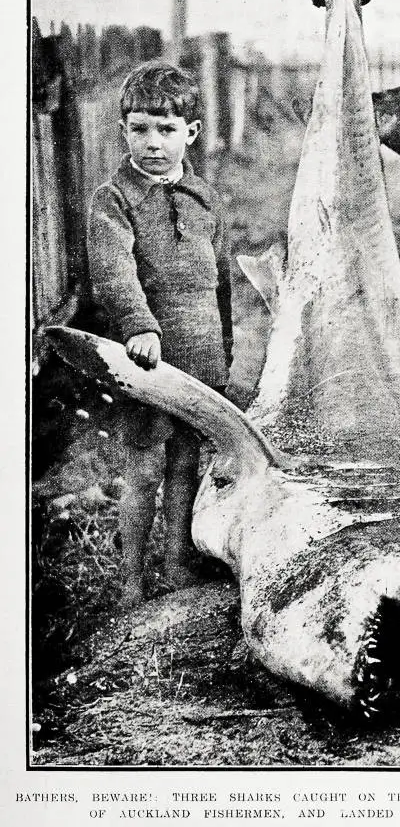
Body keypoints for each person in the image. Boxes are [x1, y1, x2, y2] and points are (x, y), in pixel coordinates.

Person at [88, 60, 233, 609]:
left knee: (185, 466)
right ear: (123, 129)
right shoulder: (114, 199)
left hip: (200, 360)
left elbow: (217, 278)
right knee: (144, 467)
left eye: (166, 129)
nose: (153, 142)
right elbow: (112, 270)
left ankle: (176, 565)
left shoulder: (202, 198)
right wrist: (139, 326)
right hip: (148, 361)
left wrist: (224, 351)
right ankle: (130, 582)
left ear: (190, 133)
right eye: (140, 128)